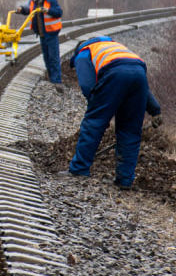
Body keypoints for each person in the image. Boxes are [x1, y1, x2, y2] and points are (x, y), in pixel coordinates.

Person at [63, 37, 162, 189]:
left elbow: (87, 84)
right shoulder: (116, 47)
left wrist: (98, 107)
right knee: (130, 131)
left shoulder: (83, 52)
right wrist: (155, 110)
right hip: (139, 73)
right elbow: (140, 84)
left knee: (93, 124)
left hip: (114, 74)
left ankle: (79, 169)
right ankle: (125, 180)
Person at [17, 0, 64, 85]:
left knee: (53, 57)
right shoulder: (33, 1)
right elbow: (29, 10)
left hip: (51, 33)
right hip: (42, 34)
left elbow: (59, 12)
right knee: (46, 57)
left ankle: (56, 80)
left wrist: (48, 11)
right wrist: (21, 9)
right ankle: (51, 78)